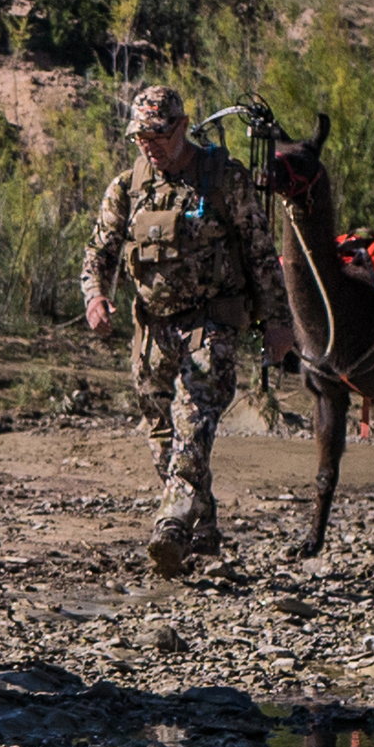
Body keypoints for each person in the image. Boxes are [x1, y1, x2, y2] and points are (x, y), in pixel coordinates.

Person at [81, 83, 296, 577]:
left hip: (212, 323)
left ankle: (171, 523)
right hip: (152, 331)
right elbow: (99, 251)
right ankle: (204, 532)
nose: (148, 145)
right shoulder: (128, 186)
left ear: (181, 128)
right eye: (140, 137)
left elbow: (262, 253)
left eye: (157, 135)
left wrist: (278, 323)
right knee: (161, 432)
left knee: (192, 418)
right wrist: (95, 296)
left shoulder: (224, 179)